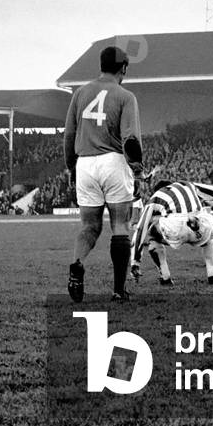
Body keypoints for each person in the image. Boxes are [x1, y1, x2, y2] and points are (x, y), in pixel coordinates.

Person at [64, 46, 143, 302]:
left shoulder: (80, 93)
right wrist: (138, 171)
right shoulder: (125, 96)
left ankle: (77, 263)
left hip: (84, 163)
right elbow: (130, 140)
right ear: (124, 68)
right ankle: (119, 290)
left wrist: (71, 168)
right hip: (113, 161)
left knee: (88, 226)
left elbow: (68, 135)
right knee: (120, 225)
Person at [130, 179, 213, 286]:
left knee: (152, 233)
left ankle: (165, 277)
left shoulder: (156, 196)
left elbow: (141, 228)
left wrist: (135, 262)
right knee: (210, 238)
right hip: (200, 224)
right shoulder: (187, 184)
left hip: (175, 227)